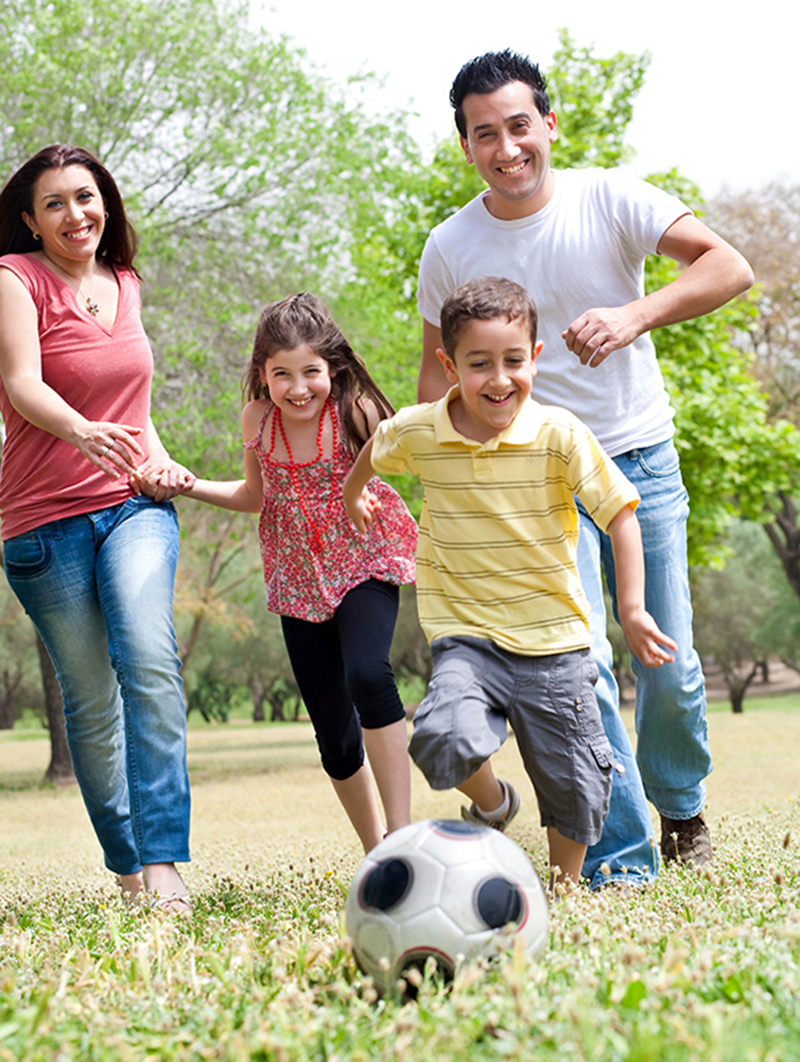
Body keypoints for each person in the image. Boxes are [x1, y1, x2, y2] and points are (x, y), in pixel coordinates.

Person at [415, 51, 754, 885]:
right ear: (466, 146)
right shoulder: (450, 244)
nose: (506, 148)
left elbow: (728, 266)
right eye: (484, 134)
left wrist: (637, 314)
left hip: (638, 459)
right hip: (531, 483)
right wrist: (442, 475)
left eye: (519, 126)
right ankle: (621, 853)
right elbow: (435, 374)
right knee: (580, 668)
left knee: (662, 658)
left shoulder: (611, 196)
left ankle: (682, 807)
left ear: (549, 125)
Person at [344, 276, 676, 886]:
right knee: (442, 739)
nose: (499, 379)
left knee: (574, 783)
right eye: (479, 364)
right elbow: (376, 446)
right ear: (449, 366)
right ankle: (494, 803)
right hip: (467, 637)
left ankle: (564, 889)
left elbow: (621, 513)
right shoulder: (423, 430)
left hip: (557, 642)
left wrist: (631, 608)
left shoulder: (560, 434)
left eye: (513, 361)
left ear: (535, 359)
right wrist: (354, 492)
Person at [0, 145, 194, 912]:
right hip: (43, 522)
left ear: (105, 204)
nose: (75, 214)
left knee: (148, 658)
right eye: (56, 203)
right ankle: (128, 867)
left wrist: (165, 463)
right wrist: (82, 430)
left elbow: (137, 416)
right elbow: (20, 382)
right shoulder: (15, 279)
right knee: (89, 698)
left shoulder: (127, 283)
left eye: (86, 197)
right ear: (30, 220)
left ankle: (167, 863)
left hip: (133, 508)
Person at [181, 292, 417, 853]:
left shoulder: (356, 411)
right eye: (281, 373)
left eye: (311, 371)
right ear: (262, 375)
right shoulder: (258, 420)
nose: (298, 387)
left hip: (363, 560)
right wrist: (188, 484)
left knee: (368, 674)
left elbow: (414, 451)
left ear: (330, 368)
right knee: (333, 735)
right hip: (296, 579)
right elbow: (255, 496)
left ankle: (405, 835)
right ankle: (377, 851)